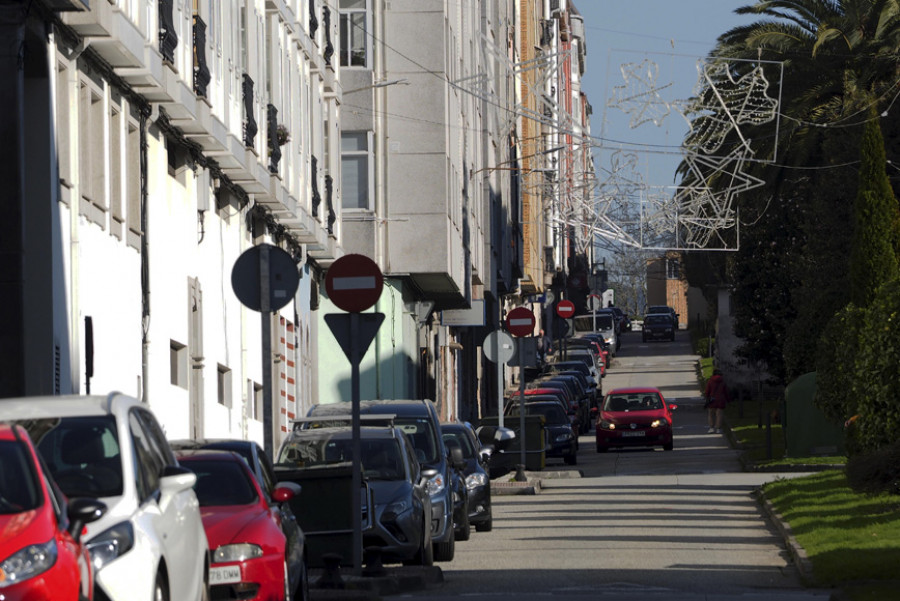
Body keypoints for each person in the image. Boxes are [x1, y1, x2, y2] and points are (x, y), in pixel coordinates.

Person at [704, 368, 730, 434]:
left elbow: (707, 391)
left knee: (711, 414)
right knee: (719, 415)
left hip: (712, 400)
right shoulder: (723, 381)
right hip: (721, 400)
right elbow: (726, 392)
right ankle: (718, 428)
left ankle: (711, 428)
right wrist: (728, 400)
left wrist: (707, 397)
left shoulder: (710, 381)